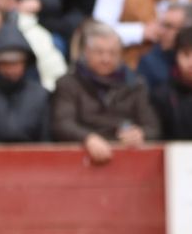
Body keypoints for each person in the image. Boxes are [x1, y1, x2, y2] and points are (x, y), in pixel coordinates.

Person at [51, 20, 162, 161]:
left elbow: (153, 127)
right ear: (86, 52)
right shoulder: (68, 83)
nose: (106, 59)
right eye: (99, 52)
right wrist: (87, 138)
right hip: (77, 159)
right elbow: (62, 124)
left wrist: (141, 134)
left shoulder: (136, 84)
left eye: (112, 53)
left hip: (128, 158)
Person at [135, 0, 192, 86]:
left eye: (169, 26)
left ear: (188, 31)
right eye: (162, 25)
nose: (161, 32)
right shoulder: (149, 64)